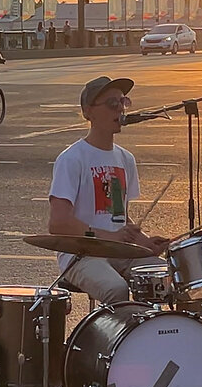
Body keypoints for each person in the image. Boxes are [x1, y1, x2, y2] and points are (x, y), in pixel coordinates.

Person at [48, 76, 170, 305]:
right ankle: (114, 339)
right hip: (81, 255)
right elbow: (58, 223)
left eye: (123, 102)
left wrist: (144, 243)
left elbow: (118, 216)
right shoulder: (72, 158)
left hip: (120, 252)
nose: (121, 109)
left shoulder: (126, 158)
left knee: (169, 278)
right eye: (112, 104)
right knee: (115, 288)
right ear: (88, 112)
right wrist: (109, 238)